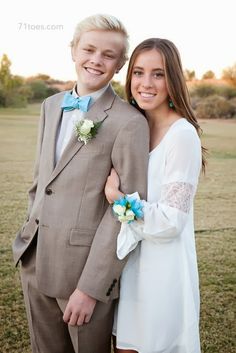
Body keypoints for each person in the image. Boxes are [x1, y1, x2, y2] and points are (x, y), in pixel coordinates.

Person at [12, 14, 149, 353]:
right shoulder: (51, 106)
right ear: (73, 50)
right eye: (88, 49)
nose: (96, 60)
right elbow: (41, 182)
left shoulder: (129, 122)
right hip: (34, 258)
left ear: (120, 65)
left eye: (108, 55)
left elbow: (126, 211)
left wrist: (91, 288)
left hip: (83, 274)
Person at [105, 38, 206, 353]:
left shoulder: (182, 135)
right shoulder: (132, 128)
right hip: (127, 267)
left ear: (172, 79)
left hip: (162, 272)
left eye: (158, 74)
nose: (145, 83)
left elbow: (171, 221)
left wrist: (117, 200)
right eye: (138, 72)